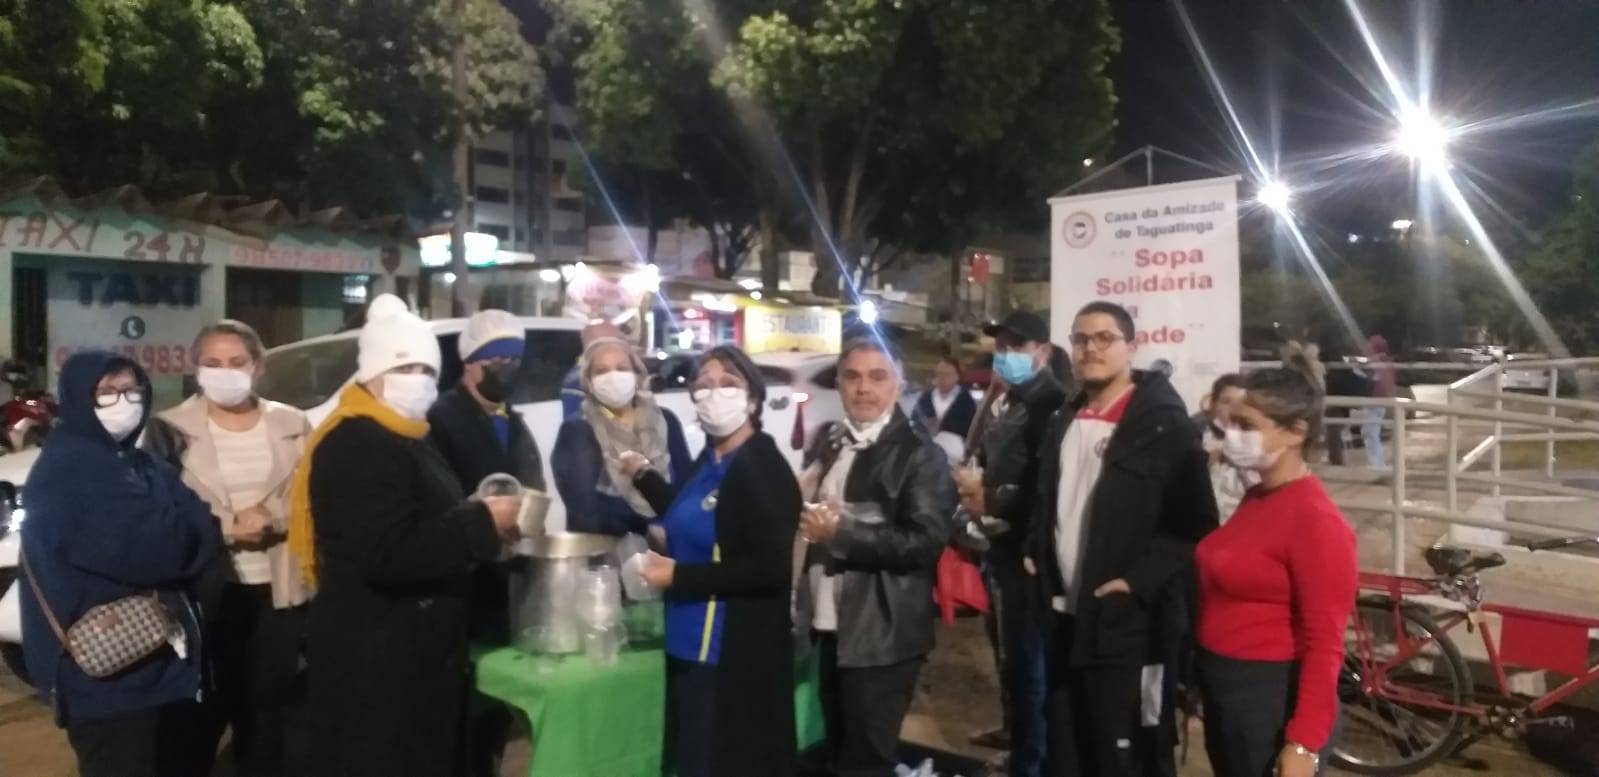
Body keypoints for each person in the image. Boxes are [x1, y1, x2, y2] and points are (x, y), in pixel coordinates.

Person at [288, 295, 522, 777]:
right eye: (403, 368)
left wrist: (478, 518)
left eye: (426, 370)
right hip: (378, 658)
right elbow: (387, 551)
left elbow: (422, 517)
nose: (417, 380)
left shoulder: (408, 434)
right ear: (371, 375)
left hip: (411, 651)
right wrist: (479, 523)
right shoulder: (358, 441)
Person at [1029, 301, 1219, 777]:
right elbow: (1051, 498)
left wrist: (1137, 583)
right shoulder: (1064, 418)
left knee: (1130, 756)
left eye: (1104, 338)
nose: (1090, 348)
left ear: (1131, 347)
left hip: (1129, 629)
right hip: (1065, 620)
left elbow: (1194, 525)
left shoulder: (1164, 425)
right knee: (1068, 750)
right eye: (1080, 339)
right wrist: (1036, 551)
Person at [19, 351, 222, 777]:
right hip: (112, 687)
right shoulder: (72, 470)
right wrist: (193, 528)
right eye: (107, 392)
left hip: (154, 671)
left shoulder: (135, 462)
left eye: (131, 390)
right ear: (78, 398)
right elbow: (166, 551)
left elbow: (198, 520)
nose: (123, 402)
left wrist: (194, 526)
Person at [618, 345, 801, 777]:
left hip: (726, 653)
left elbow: (771, 569)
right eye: (703, 386)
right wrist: (644, 475)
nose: (714, 394)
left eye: (728, 384)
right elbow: (691, 514)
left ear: (752, 399)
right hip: (687, 643)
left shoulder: (762, 467)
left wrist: (678, 575)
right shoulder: (710, 460)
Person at [143, 321, 313, 777]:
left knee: (266, 713)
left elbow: (313, 498)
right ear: (195, 368)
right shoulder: (169, 429)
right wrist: (227, 527)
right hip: (207, 593)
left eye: (237, 362)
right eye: (212, 363)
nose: (225, 372)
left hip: (278, 591)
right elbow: (160, 511)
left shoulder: (293, 424)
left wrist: (273, 520)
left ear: (257, 366)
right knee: (200, 714)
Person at [797, 338, 957, 777]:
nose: (863, 388)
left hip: (882, 634)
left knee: (866, 762)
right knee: (837, 753)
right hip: (829, 625)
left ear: (899, 385)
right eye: (852, 377)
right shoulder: (832, 441)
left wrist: (843, 532)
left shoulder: (920, 454)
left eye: (877, 377)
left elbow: (925, 542)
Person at [1196, 368, 1357, 777]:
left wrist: (1303, 743)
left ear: (1295, 432)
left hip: (1267, 701)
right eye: (1231, 423)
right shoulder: (1259, 496)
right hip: (1230, 694)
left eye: (1247, 426)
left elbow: (1326, 644)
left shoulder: (1316, 522)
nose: (1232, 435)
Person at [425, 309, 544, 777]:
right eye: (497, 359)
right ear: (470, 363)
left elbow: (530, 485)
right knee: (465, 708)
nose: (507, 368)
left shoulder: (512, 420)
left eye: (514, 358)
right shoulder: (442, 420)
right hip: (465, 579)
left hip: (506, 575)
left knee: (495, 704)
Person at [957, 310, 1066, 777]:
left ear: (1043, 352)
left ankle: (1032, 761)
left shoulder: (1050, 404)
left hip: (1025, 554)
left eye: (1016, 347)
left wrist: (990, 498)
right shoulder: (1011, 400)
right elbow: (984, 456)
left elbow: (1045, 487)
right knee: (1012, 660)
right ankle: (1022, 747)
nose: (1005, 355)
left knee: (1029, 665)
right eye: (1000, 347)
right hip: (999, 547)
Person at [553, 328, 692, 537]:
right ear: (589, 382)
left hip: (672, 544)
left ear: (637, 375)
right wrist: (646, 531)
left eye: (622, 368)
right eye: (601, 371)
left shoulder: (666, 421)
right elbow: (585, 510)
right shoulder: (579, 430)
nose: (613, 377)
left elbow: (686, 488)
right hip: (611, 548)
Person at [1193, 373, 1249, 521]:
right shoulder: (1195, 434)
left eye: (1241, 402)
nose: (1233, 409)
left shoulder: (1255, 440)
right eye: (1226, 401)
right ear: (1213, 403)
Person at [912, 355, 978, 462]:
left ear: (957, 376)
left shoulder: (965, 400)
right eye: (939, 374)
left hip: (953, 451)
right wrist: (926, 424)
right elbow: (915, 419)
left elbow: (971, 428)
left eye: (947, 375)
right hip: (926, 448)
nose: (943, 379)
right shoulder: (927, 396)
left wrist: (944, 426)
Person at [1360, 335, 1397, 469]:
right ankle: (1378, 462)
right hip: (1382, 400)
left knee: (1371, 433)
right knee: (1372, 432)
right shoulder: (1388, 362)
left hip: (1374, 400)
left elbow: (1367, 376)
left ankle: (1376, 464)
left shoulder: (1375, 361)